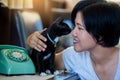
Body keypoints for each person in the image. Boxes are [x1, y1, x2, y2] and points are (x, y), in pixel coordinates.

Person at [27, 1, 120, 80]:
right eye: (74, 26)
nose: (73, 33)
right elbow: (41, 62)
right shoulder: (74, 56)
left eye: (80, 28)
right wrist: (31, 41)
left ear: (100, 34)